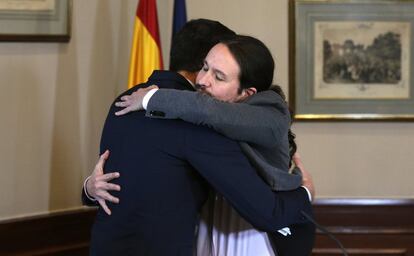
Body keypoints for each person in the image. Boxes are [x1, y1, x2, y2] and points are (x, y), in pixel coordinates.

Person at [83, 19, 314, 256]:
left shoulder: (125, 100)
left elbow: (116, 180)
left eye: (219, 75)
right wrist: (305, 191)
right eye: (206, 67)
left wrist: (88, 189)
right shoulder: (196, 122)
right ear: (204, 59)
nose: (204, 81)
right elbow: (268, 213)